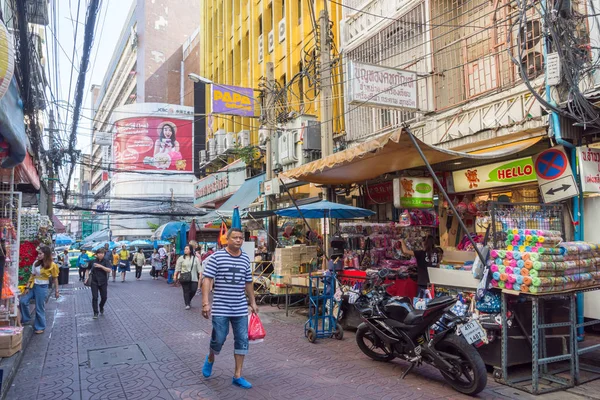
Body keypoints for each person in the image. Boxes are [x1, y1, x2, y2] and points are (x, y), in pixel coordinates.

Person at [201, 228, 258, 389]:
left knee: (242, 339)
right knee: (219, 338)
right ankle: (211, 357)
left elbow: (248, 282)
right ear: (227, 239)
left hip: (239, 307)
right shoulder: (216, 257)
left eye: (241, 238)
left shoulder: (245, 259)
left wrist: (252, 301)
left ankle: (238, 375)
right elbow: (207, 279)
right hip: (221, 307)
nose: (238, 240)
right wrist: (205, 302)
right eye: (235, 238)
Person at [20, 246, 60, 334]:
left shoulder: (52, 265)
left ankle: (40, 326)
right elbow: (32, 275)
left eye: (40, 253)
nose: (38, 255)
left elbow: (55, 278)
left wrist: (57, 291)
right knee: (23, 301)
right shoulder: (36, 263)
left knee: (39, 307)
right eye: (38, 253)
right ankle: (26, 319)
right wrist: (27, 287)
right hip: (33, 286)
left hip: (42, 287)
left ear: (46, 254)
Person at [86, 248, 113, 319]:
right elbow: (87, 269)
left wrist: (101, 266)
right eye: (99, 253)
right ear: (96, 254)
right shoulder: (92, 261)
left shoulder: (106, 261)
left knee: (104, 297)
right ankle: (95, 312)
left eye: (102, 253)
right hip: (94, 281)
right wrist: (86, 278)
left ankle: (101, 306)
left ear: (104, 254)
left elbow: (109, 270)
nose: (100, 255)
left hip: (103, 281)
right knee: (95, 297)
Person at [175, 245, 200, 309]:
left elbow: (199, 269)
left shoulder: (195, 258)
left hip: (194, 277)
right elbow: (177, 268)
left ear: (190, 250)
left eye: (187, 249)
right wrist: (175, 276)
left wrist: (200, 275)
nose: (185, 250)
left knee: (193, 290)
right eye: (185, 249)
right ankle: (187, 304)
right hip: (184, 277)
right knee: (186, 290)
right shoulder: (181, 258)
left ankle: (188, 300)